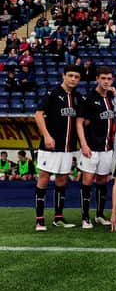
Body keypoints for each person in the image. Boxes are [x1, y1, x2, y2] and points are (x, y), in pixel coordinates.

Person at [33, 64, 83, 231]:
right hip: (50, 146)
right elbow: (38, 114)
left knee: (62, 180)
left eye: (76, 77)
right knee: (44, 179)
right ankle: (39, 219)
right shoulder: (53, 93)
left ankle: (58, 217)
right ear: (64, 76)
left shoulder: (78, 97)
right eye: (70, 76)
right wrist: (46, 135)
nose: (73, 79)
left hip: (68, 147)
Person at [76, 66, 116, 229]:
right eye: (103, 78)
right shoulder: (88, 98)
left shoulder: (112, 98)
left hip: (107, 147)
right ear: (97, 79)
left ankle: (99, 214)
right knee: (87, 180)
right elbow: (79, 122)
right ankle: (85, 217)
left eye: (109, 78)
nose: (106, 81)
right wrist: (84, 145)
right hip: (91, 148)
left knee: (102, 180)